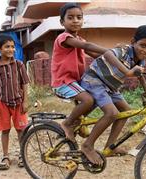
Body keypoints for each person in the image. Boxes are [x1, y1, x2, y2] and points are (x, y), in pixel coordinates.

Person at [80, 25, 146, 165]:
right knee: (111, 113)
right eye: (143, 45)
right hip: (94, 80)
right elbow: (108, 54)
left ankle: (110, 146)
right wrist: (128, 72)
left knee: (127, 111)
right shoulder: (122, 50)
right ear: (133, 41)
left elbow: (139, 74)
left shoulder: (141, 59)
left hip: (110, 87)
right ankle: (87, 145)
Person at [51, 3, 107, 142]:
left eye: (79, 17)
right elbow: (87, 46)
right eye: (70, 17)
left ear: (82, 20)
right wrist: (109, 50)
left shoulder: (80, 40)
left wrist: (114, 60)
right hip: (63, 82)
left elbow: (94, 54)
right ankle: (67, 123)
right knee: (88, 100)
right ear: (62, 22)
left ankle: (74, 124)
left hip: (76, 82)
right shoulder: (63, 38)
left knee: (95, 99)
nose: (75, 20)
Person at [0, 34, 30, 170]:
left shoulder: (19, 64)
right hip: (2, 103)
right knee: (5, 130)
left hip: (18, 102)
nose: (11, 49)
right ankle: (5, 156)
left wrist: (25, 101)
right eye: (7, 47)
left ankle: (22, 155)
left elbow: (25, 83)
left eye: (12, 47)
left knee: (21, 130)